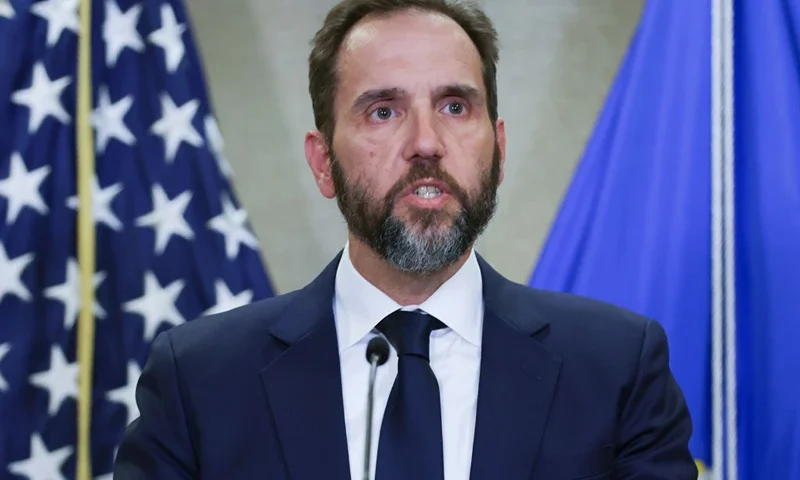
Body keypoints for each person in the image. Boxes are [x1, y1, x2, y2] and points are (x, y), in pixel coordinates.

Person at [114, 0, 698, 478]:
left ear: (497, 151)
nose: (426, 142)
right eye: (383, 112)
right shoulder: (199, 381)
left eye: (454, 105)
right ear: (322, 164)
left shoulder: (619, 367)